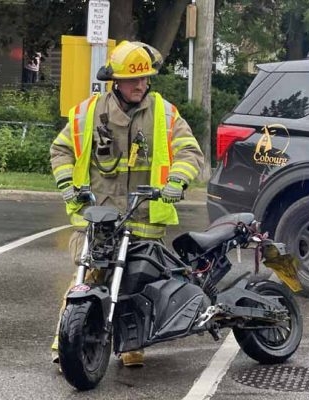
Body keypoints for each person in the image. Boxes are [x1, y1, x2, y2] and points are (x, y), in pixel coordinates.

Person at [49, 40, 204, 368]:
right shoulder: (89, 113)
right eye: (134, 79)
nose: (142, 84)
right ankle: (65, 345)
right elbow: (61, 150)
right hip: (100, 216)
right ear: (115, 82)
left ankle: (132, 346)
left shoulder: (164, 113)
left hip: (145, 218)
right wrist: (68, 186)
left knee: (137, 284)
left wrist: (176, 182)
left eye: (146, 78)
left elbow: (190, 151)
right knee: (87, 278)